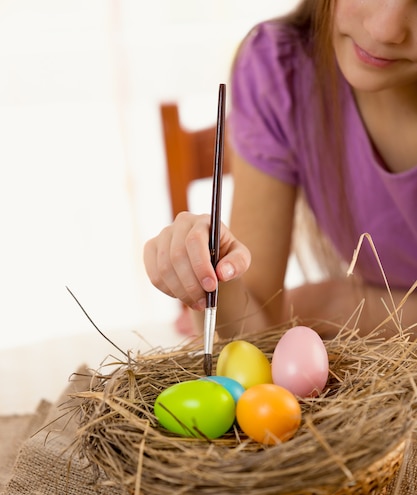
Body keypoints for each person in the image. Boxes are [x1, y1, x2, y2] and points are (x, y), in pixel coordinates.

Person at [144, 0, 417, 339]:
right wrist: (211, 274)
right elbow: (255, 327)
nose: (384, 29)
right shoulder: (280, 70)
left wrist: (338, 304)